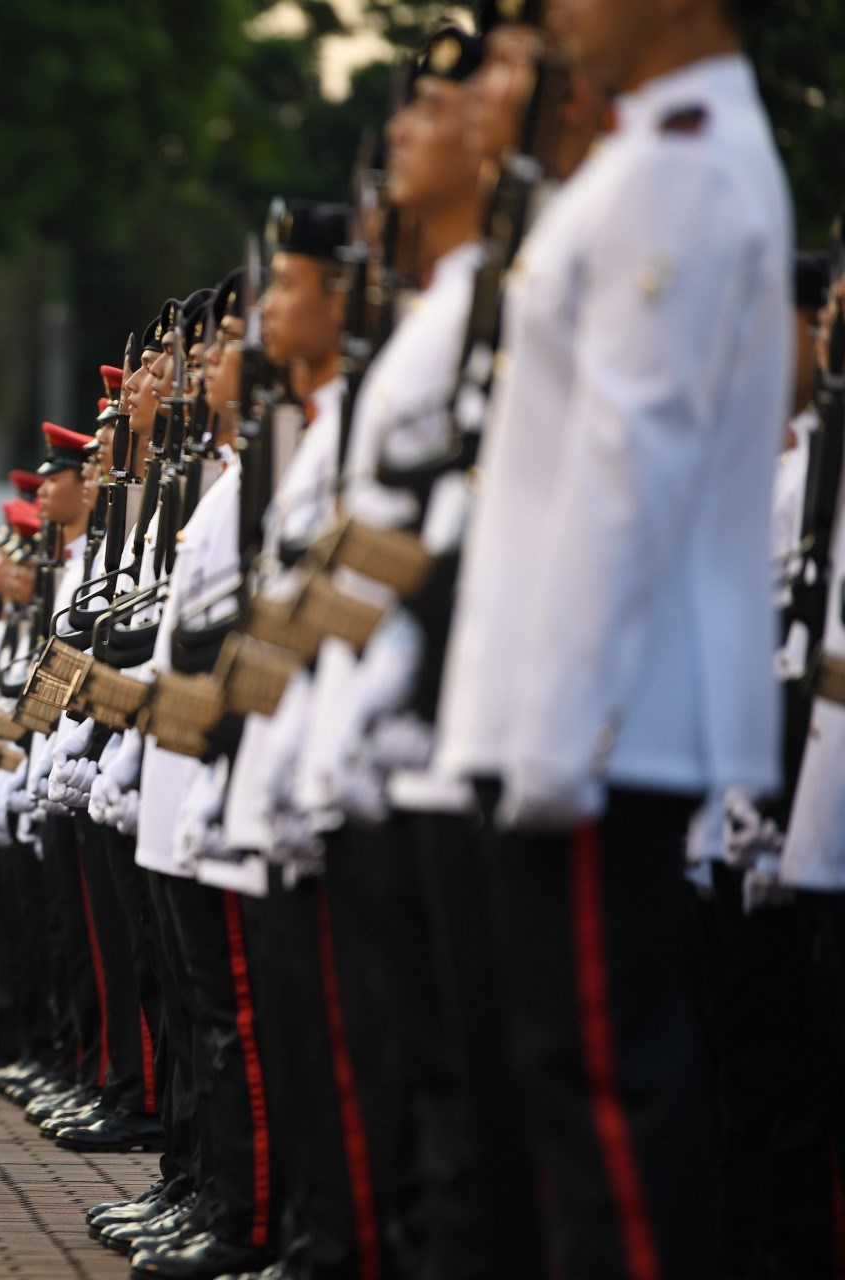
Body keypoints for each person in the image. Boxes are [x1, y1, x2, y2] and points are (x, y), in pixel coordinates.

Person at [434, 0, 792, 1272]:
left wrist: (557, 729)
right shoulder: (659, 154)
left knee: (607, 1105)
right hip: (586, 712)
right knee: (573, 1098)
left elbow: (626, 472)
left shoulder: (680, 168)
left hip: (604, 721)